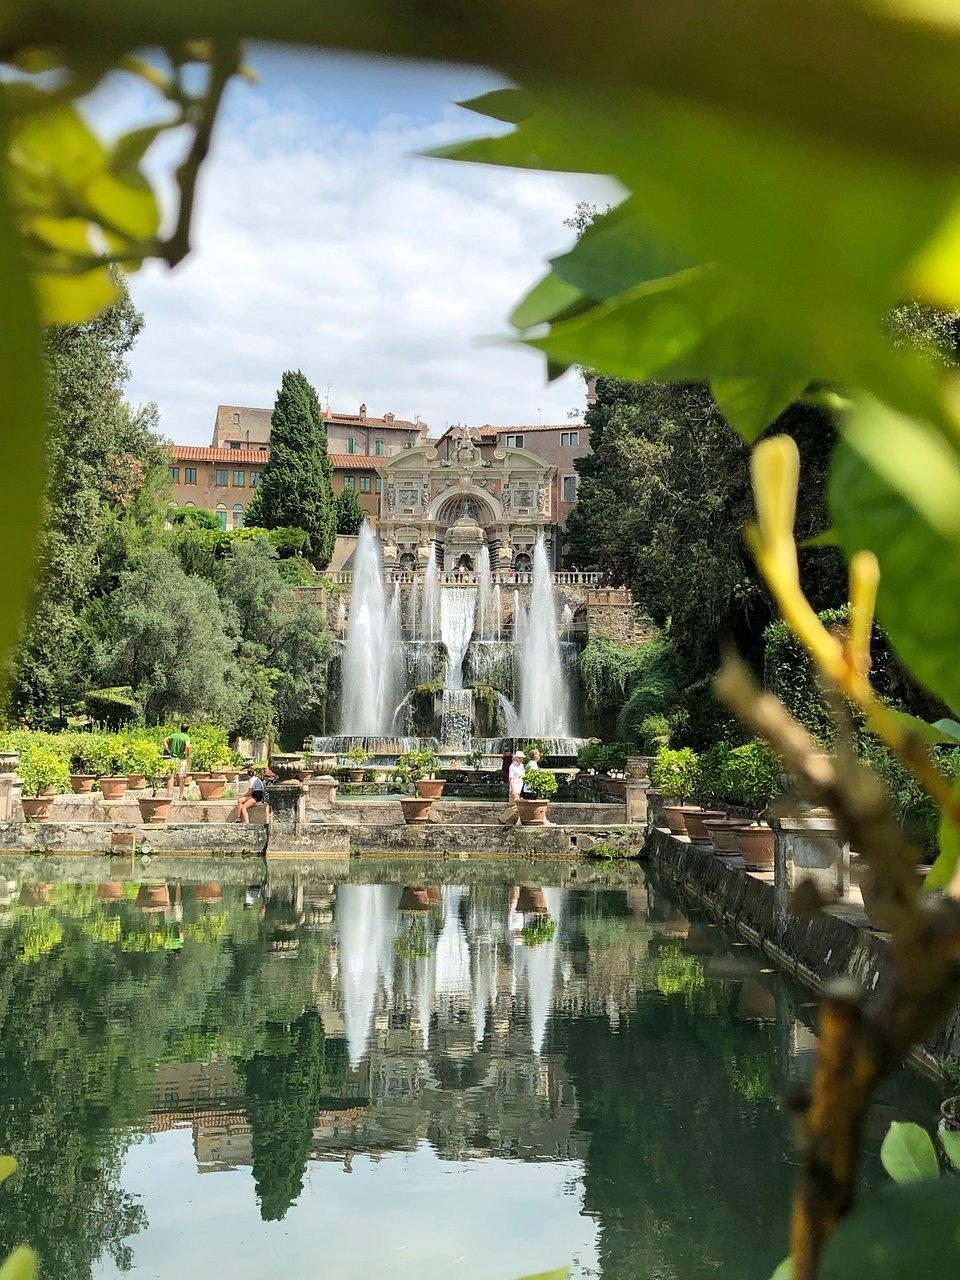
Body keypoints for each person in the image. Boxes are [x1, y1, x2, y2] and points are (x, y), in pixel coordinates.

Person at [163, 722, 191, 800]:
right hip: (182, 759)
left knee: (171, 777)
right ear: (187, 730)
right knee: (182, 777)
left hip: (173, 759)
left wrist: (168, 750)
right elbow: (188, 746)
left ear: (180, 728)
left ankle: (169, 795)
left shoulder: (174, 735)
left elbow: (164, 740)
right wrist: (186, 752)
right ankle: (181, 795)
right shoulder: (186, 737)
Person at [500, 751, 526, 825]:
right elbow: (510, 779)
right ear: (516, 758)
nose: (521, 759)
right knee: (516, 806)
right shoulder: (512, 766)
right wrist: (513, 790)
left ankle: (519, 821)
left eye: (522, 758)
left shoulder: (521, 766)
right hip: (515, 789)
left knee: (520, 806)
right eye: (520, 758)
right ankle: (503, 818)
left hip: (521, 789)